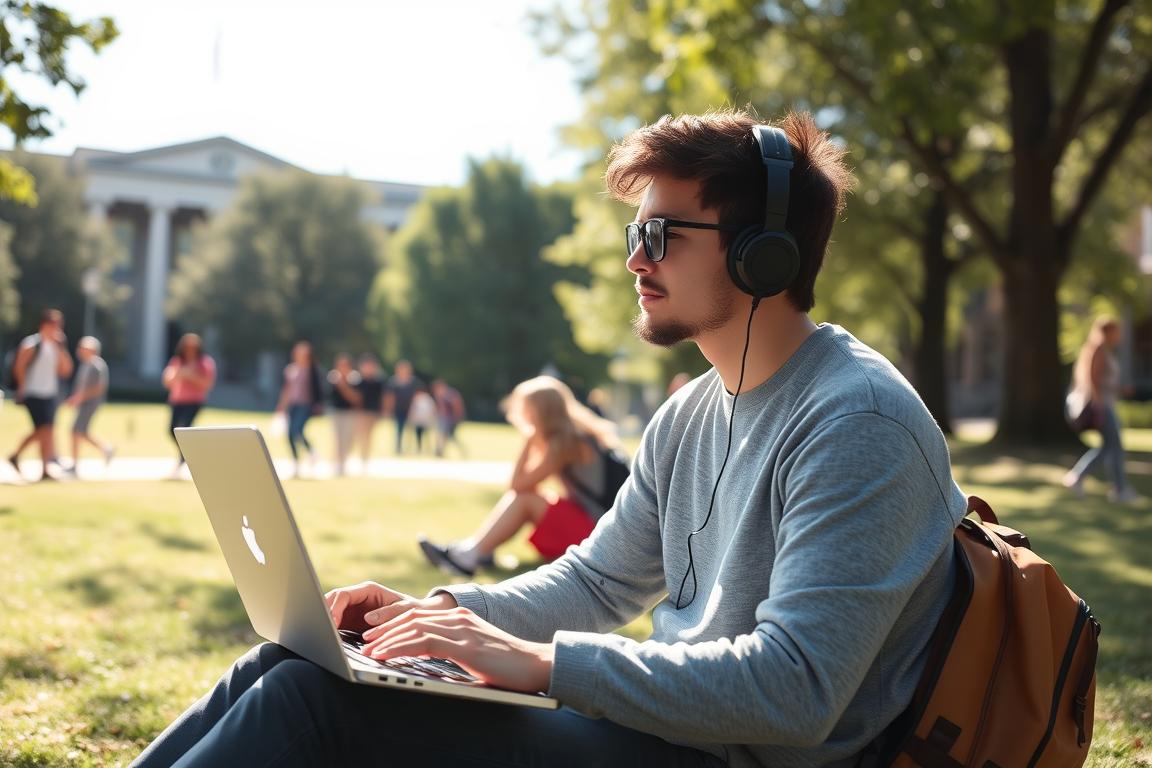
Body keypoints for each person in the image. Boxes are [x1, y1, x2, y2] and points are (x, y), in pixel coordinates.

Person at [133, 109, 969, 767]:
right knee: (292, 666)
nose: (635, 261)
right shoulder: (687, 416)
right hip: (661, 736)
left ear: (764, 256)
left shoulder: (859, 421)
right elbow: (598, 582)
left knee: (313, 708)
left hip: (737, 760)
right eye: (634, 235)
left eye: (661, 235)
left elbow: (797, 691)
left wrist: (538, 664)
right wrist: (435, 613)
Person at [419, 375, 621, 576]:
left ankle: (469, 556)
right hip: (599, 528)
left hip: (598, 537)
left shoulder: (567, 443)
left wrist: (529, 440)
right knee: (530, 496)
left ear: (541, 412)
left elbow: (517, 485)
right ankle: (476, 550)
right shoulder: (575, 435)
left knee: (526, 499)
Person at [1063, 316, 1139, 503]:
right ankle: (1119, 489)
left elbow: (1105, 381)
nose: (1119, 335)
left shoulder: (1106, 351)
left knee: (1108, 447)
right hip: (1103, 405)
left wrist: (1120, 390)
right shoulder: (1098, 349)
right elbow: (1093, 379)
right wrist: (1099, 405)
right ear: (1107, 331)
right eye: (1116, 330)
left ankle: (1079, 477)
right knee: (1115, 447)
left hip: (1107, 403)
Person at [7, 308, 73, 482]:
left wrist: (61, 348)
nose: (59, 329)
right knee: (43, 430)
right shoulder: (32, 344)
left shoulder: (55, 347)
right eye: (56, 325)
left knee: (46, 431)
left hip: (49, 393)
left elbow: (66, 370)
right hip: (32, 392)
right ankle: (19, 456)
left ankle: (41, 467)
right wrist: (21, 387)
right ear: (46, 325)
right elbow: (19, 367)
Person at [162, 333, 216, 479]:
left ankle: (184, 457)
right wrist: (179, 374)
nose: (189, 350)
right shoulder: (177, 361)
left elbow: (208, 384)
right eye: (187, 347)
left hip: (194, 400)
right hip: (177, 400)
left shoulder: (204, 362)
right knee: (171, 430)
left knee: (185, 428)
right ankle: (186, 454)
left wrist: (190, 376)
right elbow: (167, 380)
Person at [64, 336, 115, 475]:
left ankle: (74, 465)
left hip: (90, 403)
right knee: (82, 432)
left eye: (83, 348)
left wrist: (79, 398)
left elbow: (99, 387)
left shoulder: (96, 365)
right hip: (85, 403)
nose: (79, 350)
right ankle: (106, 449)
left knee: (75, 431)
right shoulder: (86, 364)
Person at [275, 341, 324, 478]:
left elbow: (318, 389)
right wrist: (281, 406)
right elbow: (287, 390)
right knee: (290, 434)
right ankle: (296, 462)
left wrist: (318, 404)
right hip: (293, 405)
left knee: (298, 430)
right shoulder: (291, 369)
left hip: (306, 405)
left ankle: (312, 452)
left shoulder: (313, 370)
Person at [327, 354, 363, 477]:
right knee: (338, 439)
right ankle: (338, 464)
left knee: (348, 439)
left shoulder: (355, 379)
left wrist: (344, 387)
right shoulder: (333, 377)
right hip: (336, 412)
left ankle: (343, 461)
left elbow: (357, 399)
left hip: (350, 413)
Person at [383, 359, 424, 455]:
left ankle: (417, 448)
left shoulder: (414, 381)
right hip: (399, 409)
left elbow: (419, 394)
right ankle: (398, 447)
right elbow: (389, 397)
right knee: (399, 428)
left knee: (417, 429)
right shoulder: (393, 382)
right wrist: (388, 409)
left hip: (413, 410)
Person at [353, 355, 386, 472]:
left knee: (368, 437)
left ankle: (364, 460)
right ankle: (359, 458)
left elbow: (383, 398)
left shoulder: (378, 381)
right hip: (360, 413)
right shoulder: (357, 381)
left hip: (372, 413)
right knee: (358, 437)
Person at [431, 378, 466, 458]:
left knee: (447, 435)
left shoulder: (450, 394)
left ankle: (440, 451)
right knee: (443, 435)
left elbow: (457, 406)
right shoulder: (440, 394)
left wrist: (457, 417)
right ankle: (439, 451)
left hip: (450, 418)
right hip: (444, 418)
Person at [407, 385, 437, 455]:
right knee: (420, 435)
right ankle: (422, 448)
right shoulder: (425, 399)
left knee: (423, 435)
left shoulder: (424, 399)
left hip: (423, 420)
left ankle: (426, 448)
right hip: (420, 420)